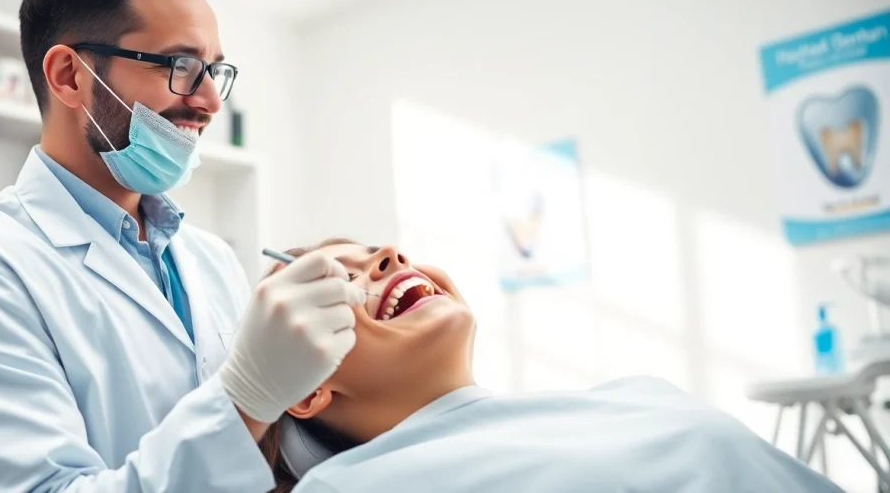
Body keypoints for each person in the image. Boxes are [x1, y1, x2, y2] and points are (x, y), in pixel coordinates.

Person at [0, 0, 364, 493]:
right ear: (70, 76)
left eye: (215, 69)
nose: (211, 100)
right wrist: (246, 399)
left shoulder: (208, 258)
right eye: (182, 65)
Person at [257, 239, 847, 493]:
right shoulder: (348, 488)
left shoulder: (637, 396)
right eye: (340, 278)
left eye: (380, 251)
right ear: (306, 389)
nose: (390, 255)